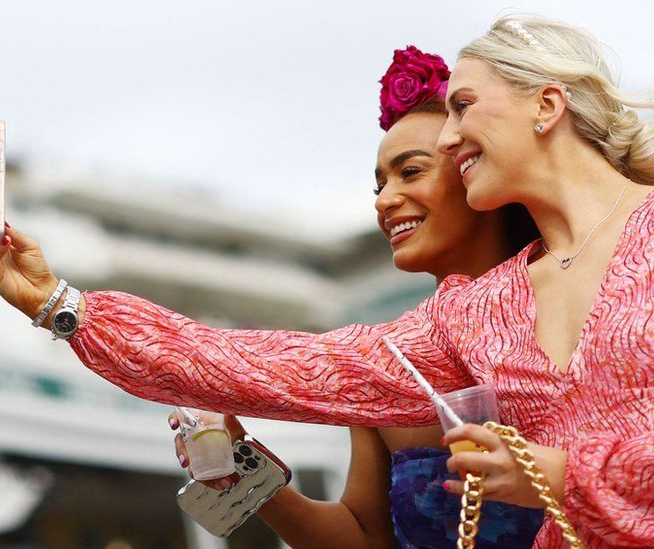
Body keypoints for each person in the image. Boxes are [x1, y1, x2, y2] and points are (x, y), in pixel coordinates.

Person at [0, 14, 654, 547]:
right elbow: (275, 367)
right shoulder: (478, 311)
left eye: (462, 106)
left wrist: (569, 474)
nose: (453, 139)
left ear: (548, 102)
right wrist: (60, 305)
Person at [170, 46, 544, 548]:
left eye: (410, 171)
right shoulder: (386, 359)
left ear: (479, 168)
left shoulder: (582, 309)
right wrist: (240, 462)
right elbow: (365, 539)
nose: (386, 201)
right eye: (379, 184)